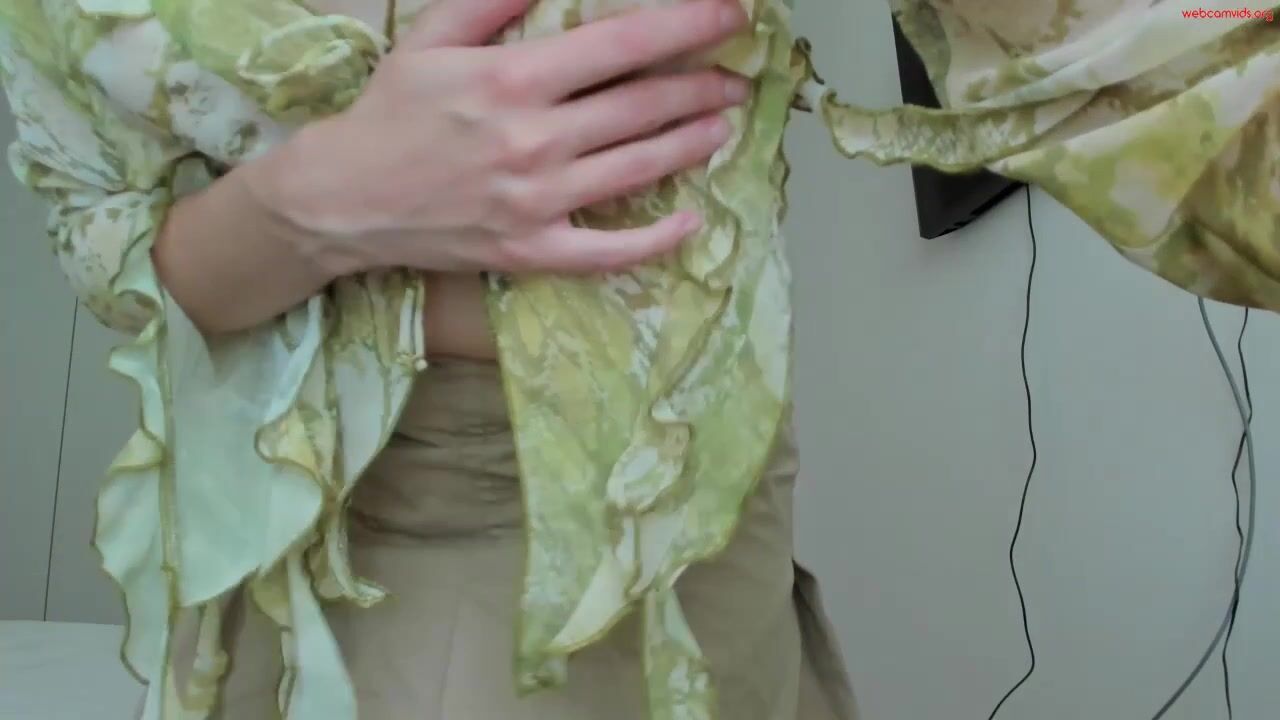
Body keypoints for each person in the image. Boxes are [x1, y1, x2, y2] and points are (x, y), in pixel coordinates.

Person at [2, 1, 1276, 719]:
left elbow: (1183, 69)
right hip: (277, 549)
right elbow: (108, 242)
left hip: (667, 548)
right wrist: (310, 208)